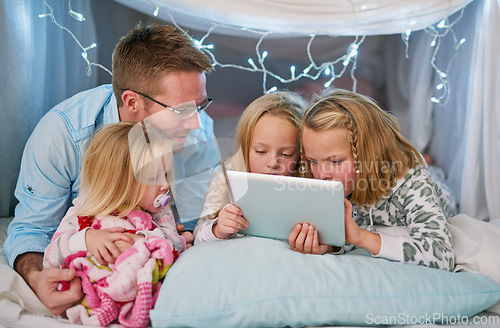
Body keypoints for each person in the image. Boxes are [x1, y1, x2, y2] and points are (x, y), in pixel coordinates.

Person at [4, 24, 220, 316]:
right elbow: (32, 229)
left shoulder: (197, 131)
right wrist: (36, 277)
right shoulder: (64, 135)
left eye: (200, 105)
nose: (195, 124)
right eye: (181, 111)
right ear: (132, 102)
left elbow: (196, 221)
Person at [288, 88, 456, 271]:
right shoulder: (334, 181)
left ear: (368, 154)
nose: (322, 174)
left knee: (434, 176)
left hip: (438, 191)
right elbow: (349, 227)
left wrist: (361, 237)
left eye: (335, 161)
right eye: (313, 161)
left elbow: (441, 255)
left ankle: (431, 166)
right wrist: (330, 245)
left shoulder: (412, 184)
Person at [43, 121, 185, 327]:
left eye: (166, 174)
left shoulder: (160, 213)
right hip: (94, 290)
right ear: (119, 183)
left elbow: (174, 244)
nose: (165, 185)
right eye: (155, 177)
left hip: (137, 287)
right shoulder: (85, 215)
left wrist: (143, 240)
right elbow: (51, 257)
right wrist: (86, 239)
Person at [194, 91, 307, 243]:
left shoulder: (306, 183)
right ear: (245, 147)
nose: (273, 162)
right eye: (261, 151)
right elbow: (198, 235)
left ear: (300, 155)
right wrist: (217, 229)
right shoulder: (225, 177)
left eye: (286, 154)